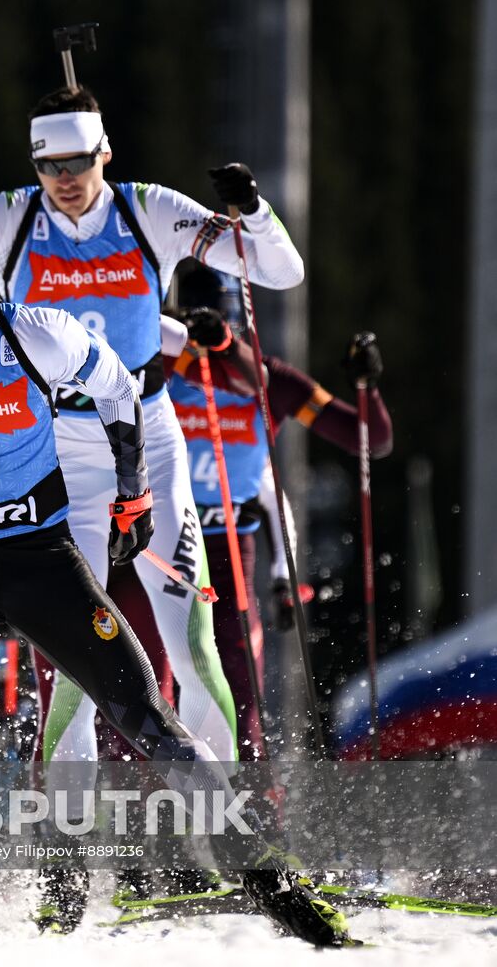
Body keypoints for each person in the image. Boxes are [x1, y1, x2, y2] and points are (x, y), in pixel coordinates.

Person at [0, 204, 352, 945]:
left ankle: (264, 873)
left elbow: (118, 393)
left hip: (40, 555)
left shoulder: (36, 334)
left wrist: (133, 488)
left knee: (145, 716)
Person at [0, 87, 305, 805]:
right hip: (58, 447)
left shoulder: (146, 208)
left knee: (193, 642)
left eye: (78, 160)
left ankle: (230, 831)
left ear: (105, 152)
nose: (65, 178)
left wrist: (253, 213)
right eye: (49, 164)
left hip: (146, 437)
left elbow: (278, 271)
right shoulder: (7, 217)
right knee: (73, 660)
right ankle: (68, 844)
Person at [166, 262, 393, 758]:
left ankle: (256, 820)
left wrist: (366, 386)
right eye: (194, 333)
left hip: (230, 547)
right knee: (155, 686)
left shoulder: (273, 382)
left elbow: (371, 440)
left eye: (222, 335)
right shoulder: (157, 366)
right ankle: (151, 814)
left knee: (239, 686)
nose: (207, 351)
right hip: (160, 543)